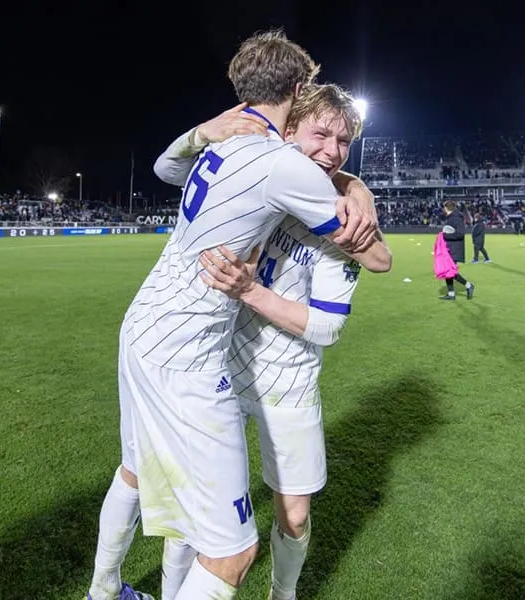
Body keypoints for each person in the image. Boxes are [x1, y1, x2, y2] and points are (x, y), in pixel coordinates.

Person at [86, 30, 380, 600]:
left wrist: (201, 130)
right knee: (232, 550)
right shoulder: (279, 165)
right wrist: (355, 192)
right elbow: (375, 254)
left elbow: (165, 169)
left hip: (142, 325)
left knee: (135, 471)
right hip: (188, 351)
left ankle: (103, 591)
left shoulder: (220, 144)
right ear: (297, 92)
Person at [153, 83, 391, 600]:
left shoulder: (335, 216)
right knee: (198, 503)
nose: (331, 149)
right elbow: (170, 169)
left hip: (290, 380)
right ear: (286, 131)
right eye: (320, 134)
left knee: (295, 514)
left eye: (343, 141)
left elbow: (335, 316)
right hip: (221, 366)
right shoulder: (260, 176)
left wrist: (356, 190)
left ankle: (283, 595)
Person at [440, 200, 475, 300]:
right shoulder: (452, 218)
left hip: (454, 248)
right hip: (450, 248)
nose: (443, 209)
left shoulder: (457, 218)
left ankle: (468, 285)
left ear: (447, 208)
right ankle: (451, 294)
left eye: (444, 208)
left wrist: (444, 236)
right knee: (448, 271)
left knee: (450, 271)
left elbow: (460, 234)